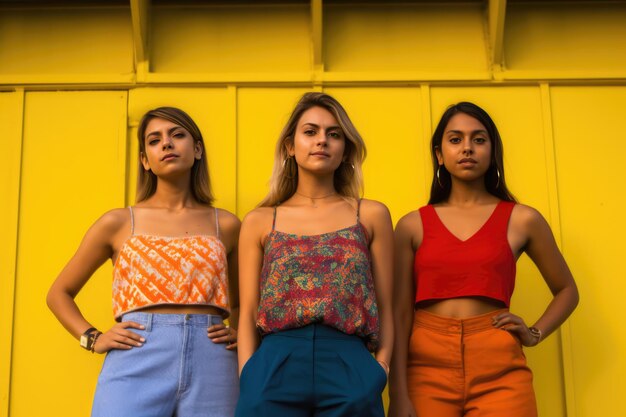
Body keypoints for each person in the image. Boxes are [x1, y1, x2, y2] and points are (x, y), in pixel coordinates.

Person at [47, 107, 241, 417]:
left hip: (213, 359)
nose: (167, 144)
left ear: (197, 149)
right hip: (138, 353)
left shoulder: (227, 225)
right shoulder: (118, 222)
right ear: (144, 160)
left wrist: (242, 334)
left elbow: (243, 304)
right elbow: (58, 293)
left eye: (177, 135)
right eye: (155, 140)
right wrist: (93, 338)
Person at [389, 102, 579, 417]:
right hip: (425, 369)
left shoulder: (523, 219)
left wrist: (534, 333)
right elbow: (398, 314)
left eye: (479, 139)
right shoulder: (411, 225)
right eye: (455, 139)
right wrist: (398, 393)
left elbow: (567, 290)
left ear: (492, 150)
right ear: (439, 154)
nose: (467, 148)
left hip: (500, 367)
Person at [235, 92, 394, 417]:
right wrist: (249, 375)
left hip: (349, 362)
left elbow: (386, 304)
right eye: (310, 132)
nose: (322, 141)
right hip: (275, 362)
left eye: (333, 134)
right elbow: (249, 309)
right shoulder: (260, 220)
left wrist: (381, 369)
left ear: (345, 148)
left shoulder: (371, 215)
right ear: (290, 146)